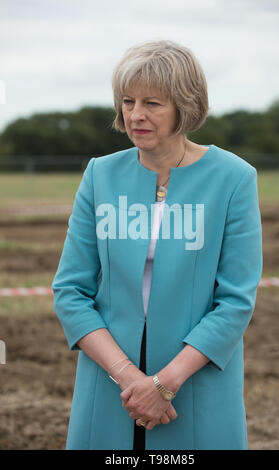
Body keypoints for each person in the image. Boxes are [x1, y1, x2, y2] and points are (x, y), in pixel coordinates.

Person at [52, 39, 263, 450]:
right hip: (112, 386)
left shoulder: (234, 179)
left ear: (185, 106)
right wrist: (131, 378)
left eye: (152, 103)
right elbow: (70, 290)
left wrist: (165, 384)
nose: (135, 115)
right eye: (128, 101)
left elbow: (236, 301)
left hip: (193, 389)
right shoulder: (100, 175)